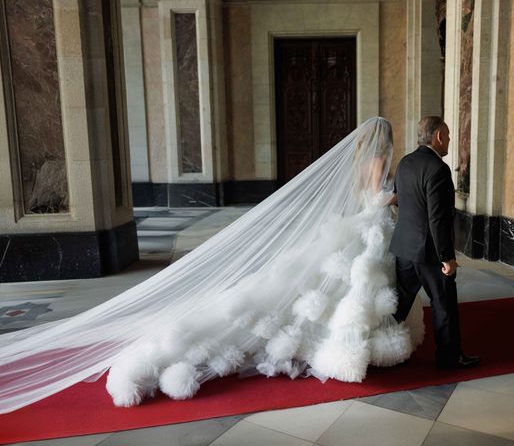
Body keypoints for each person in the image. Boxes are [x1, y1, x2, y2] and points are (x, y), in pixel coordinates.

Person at [0, 117, 425, 413]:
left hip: (358, 232)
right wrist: (396, 197)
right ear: (382, 142)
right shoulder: (377, 163)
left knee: (313, 292)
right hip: (365, 232)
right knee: (333, 291)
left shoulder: (356, 162)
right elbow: (374, 198)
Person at [390, 116, 480, 369]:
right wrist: (447, 258)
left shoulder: (405, 163)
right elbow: (438, 219)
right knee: (444, 306)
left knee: (399, 306)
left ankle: (379, 349)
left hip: (403, 248)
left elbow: (400, 201)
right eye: (449, 136)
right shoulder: (438, 169)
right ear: (438, 135)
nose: (450, 140)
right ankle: (450, 359)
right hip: (429, 253)